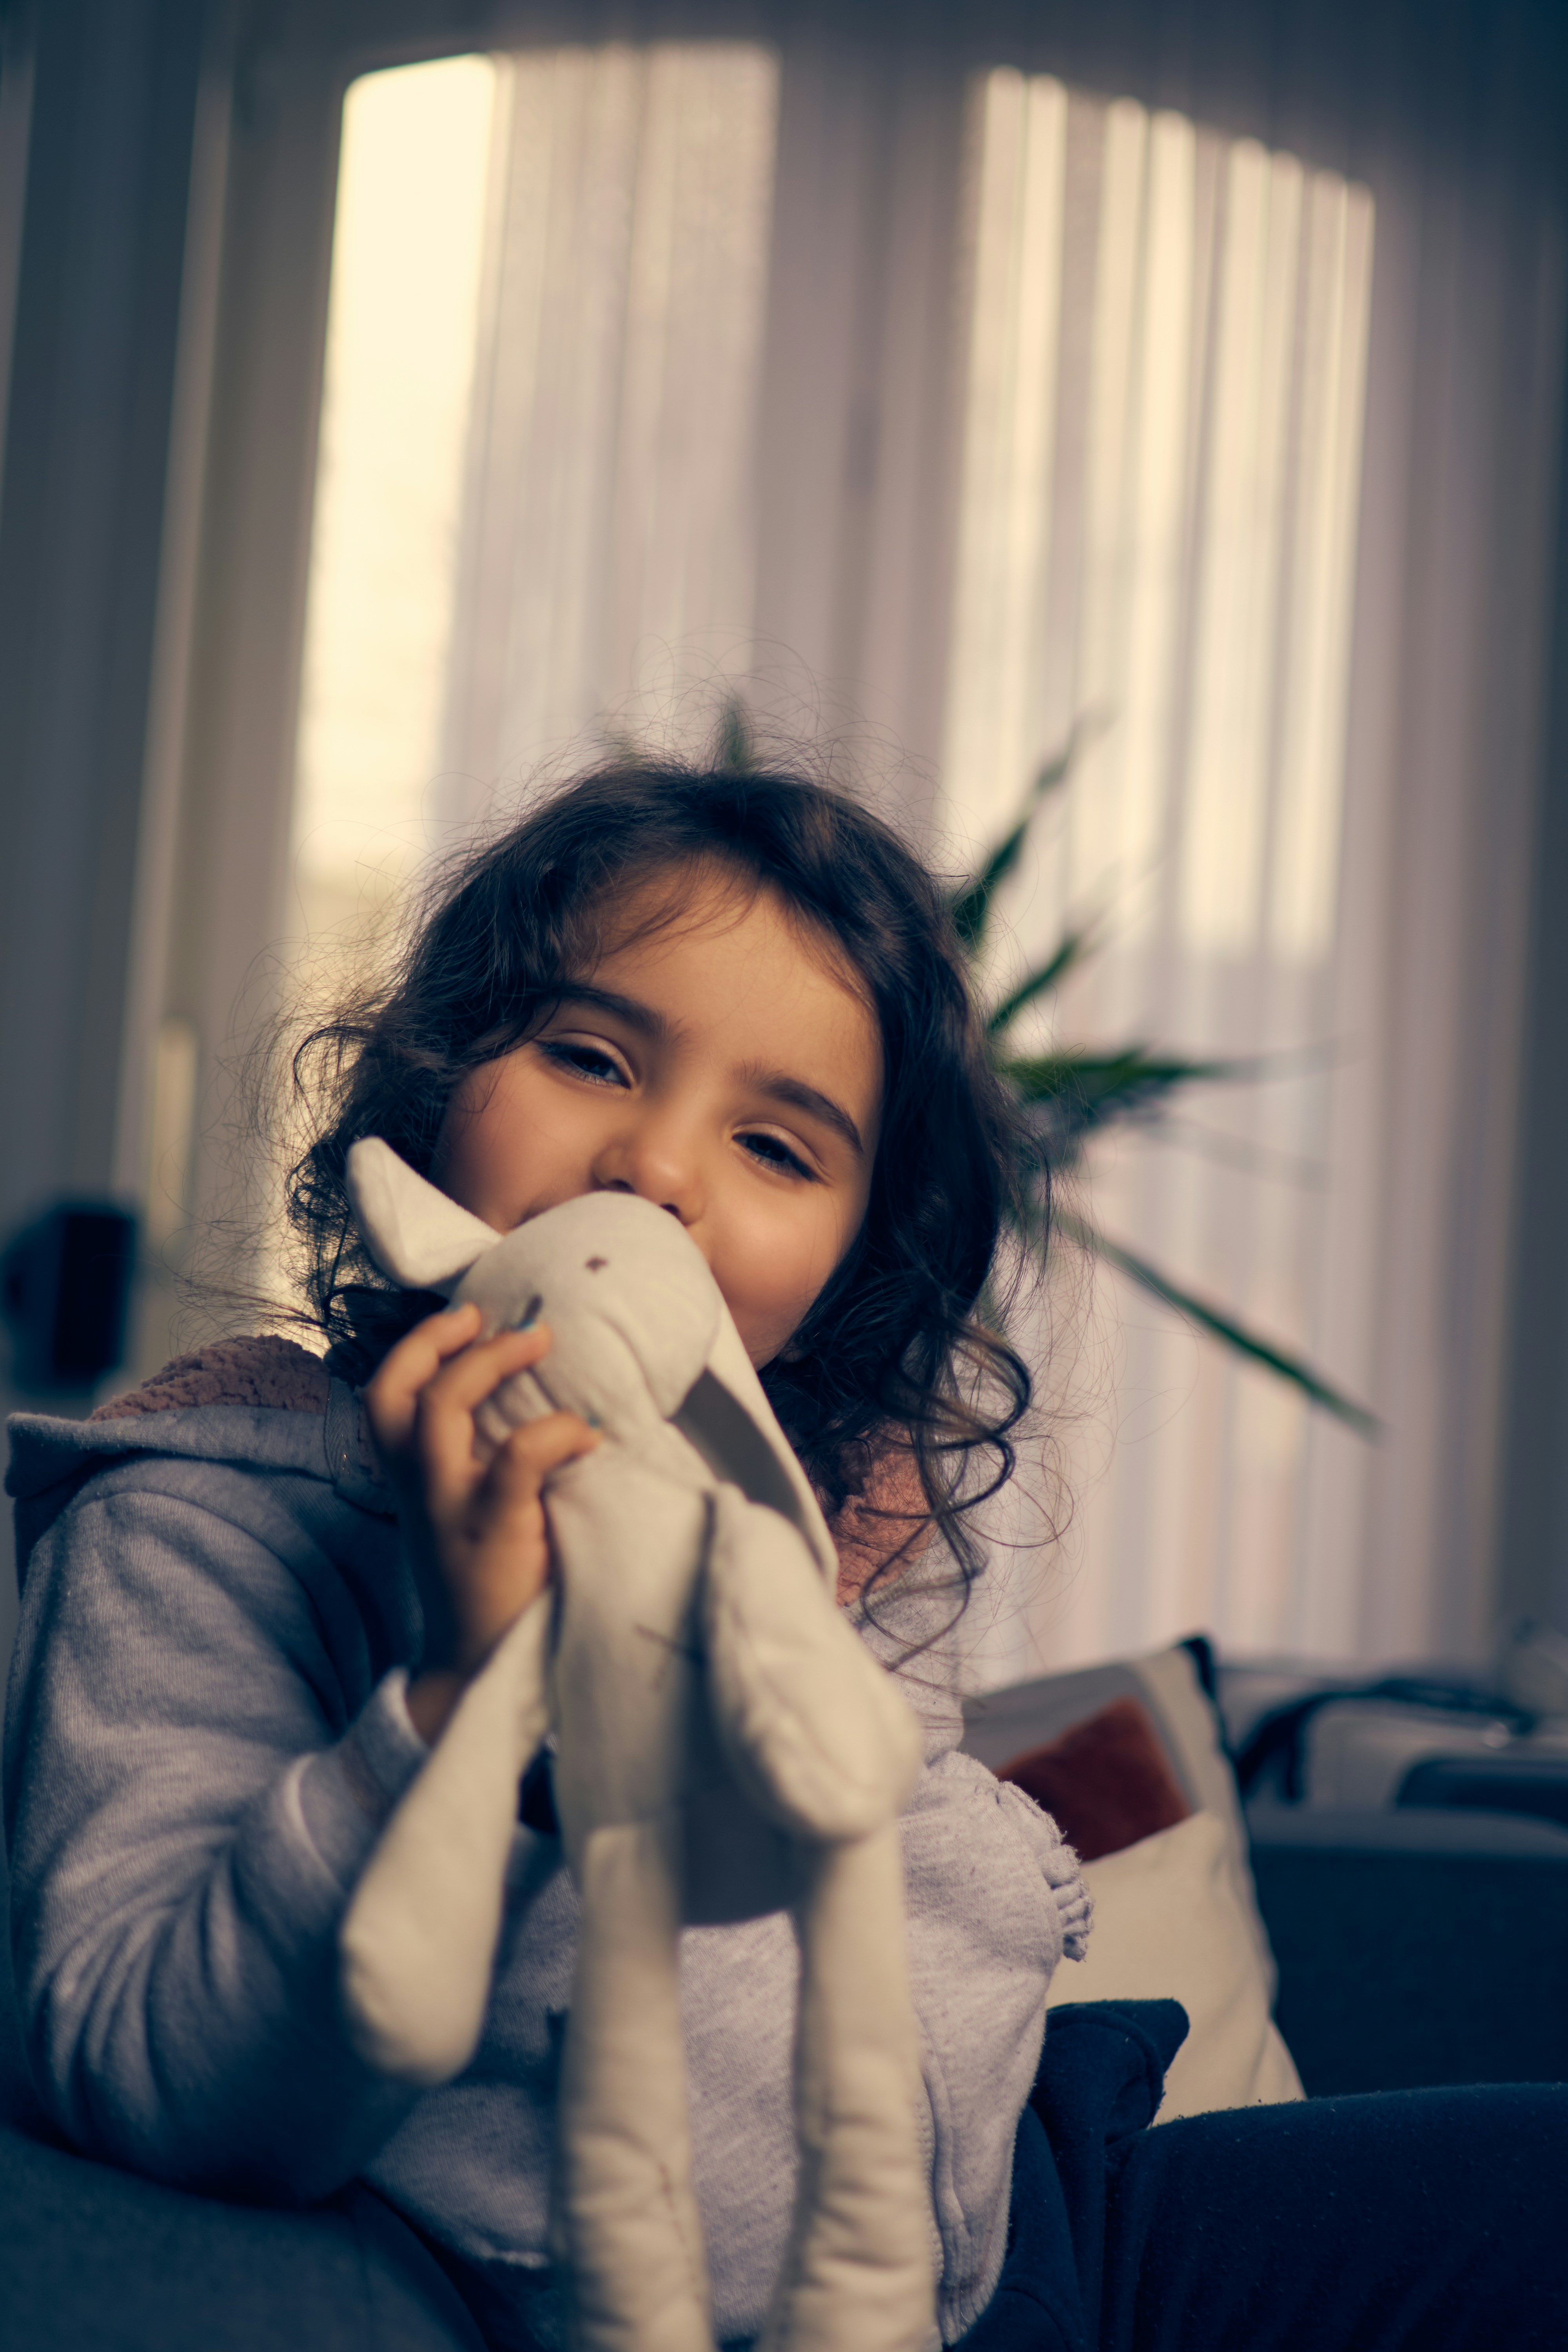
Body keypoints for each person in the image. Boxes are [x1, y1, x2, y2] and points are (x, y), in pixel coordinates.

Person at [4, 762, 1564, 2352]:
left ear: (842, 1274)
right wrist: (462, 1695)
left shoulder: (799, 1535)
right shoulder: (200, 1527)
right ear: (427, 1091)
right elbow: (149, 2070)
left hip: (1045, 2212)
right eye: (591, 1056)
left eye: (778, 1148)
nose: (658, 1172)